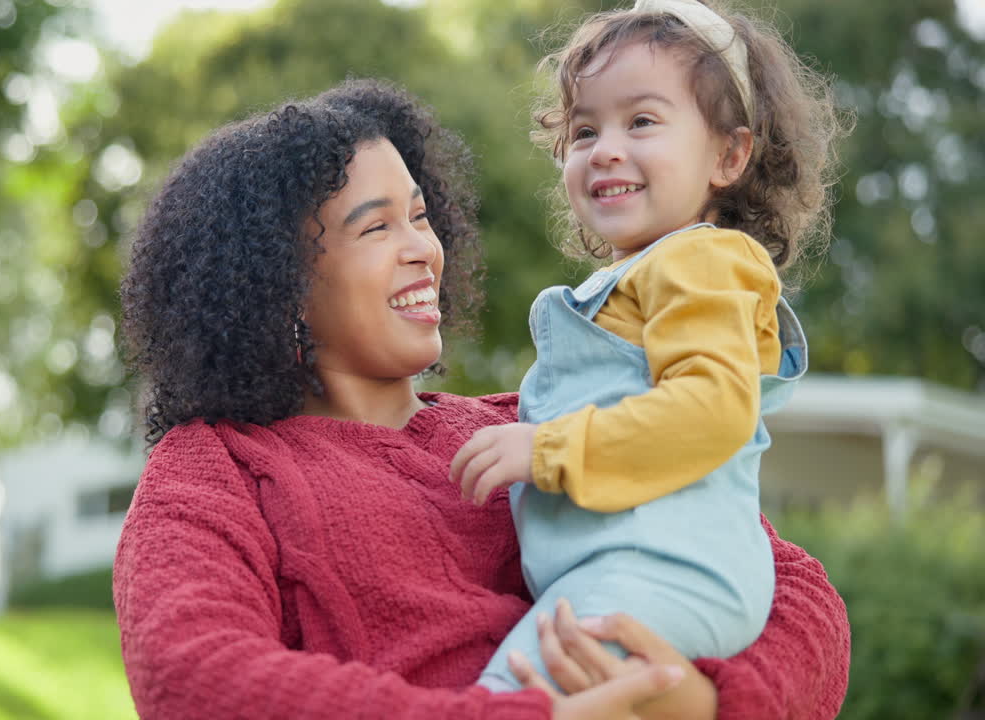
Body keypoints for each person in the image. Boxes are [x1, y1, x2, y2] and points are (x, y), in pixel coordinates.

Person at [115, 78, 849, 719]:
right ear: (279, 289)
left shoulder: (529, 425)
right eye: (376, 226)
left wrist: (707, 703)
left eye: (422, 216)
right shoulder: (215, 468)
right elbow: (195, 680)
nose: (423, 251)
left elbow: (796, 590)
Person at [447, 0, 848, 694]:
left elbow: (712, 409)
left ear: (729, 154)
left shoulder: (701, 262)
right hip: (625, 570)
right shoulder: (649, 277)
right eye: (582, 129)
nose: (604, 147)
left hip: (660, 571)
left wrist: (546, 449)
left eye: (641, 121)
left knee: (502, 701)